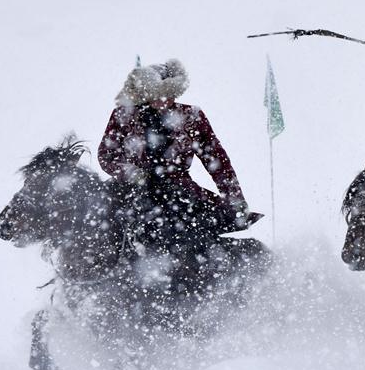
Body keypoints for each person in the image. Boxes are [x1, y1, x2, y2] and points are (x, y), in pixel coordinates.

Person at [98, 59, 254, 256]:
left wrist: (234, 197)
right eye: (158, 94)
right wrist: (130, 172)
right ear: (146, 93)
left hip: (177, 190)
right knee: (96, 216)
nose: (165, 100)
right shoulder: (124, 115)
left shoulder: (192, 117)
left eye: (170, 94)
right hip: (130, 188)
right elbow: (106, 154)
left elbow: (217, 162)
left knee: (191, 236)